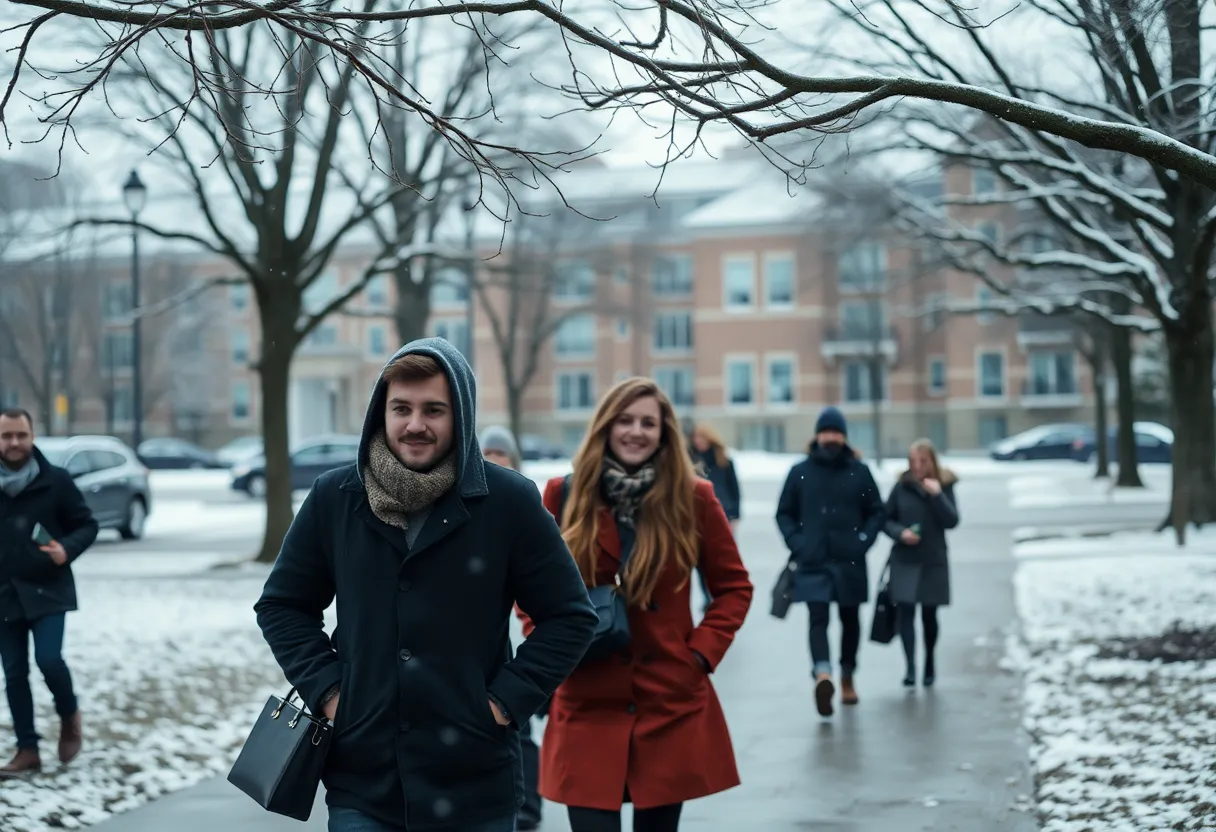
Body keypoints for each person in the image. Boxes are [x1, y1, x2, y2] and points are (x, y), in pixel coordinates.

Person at [255, 339, 598, 832]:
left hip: (475, 781)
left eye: (434, 410)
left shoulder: (509, 502)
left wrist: (505, 702)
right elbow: (283, 605)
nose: (415, 424)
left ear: (461, 415)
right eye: (402, 408)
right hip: (364, 780)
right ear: (382, 412)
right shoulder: (337, 497)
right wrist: (330, 691)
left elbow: (570, 616)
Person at [528, 377, 754, 832]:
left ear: (664, 432)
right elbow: (531, 590)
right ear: (606, 426)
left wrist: (698, 655)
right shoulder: (563, 495)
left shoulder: (693, 498)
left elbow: (734, 587)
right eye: (625, 420)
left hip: (668, 703)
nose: (636, 432)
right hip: (586, 700)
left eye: (648, 423)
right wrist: (552, 651)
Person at [0, 407, 96, 775]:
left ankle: (69, 714)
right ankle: (27, 750)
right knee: (14, 674)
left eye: (20, 435)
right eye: (6, 436)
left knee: (49, 659)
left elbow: (87, 525)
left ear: (32, 436)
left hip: (48, 589)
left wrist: (66, 549)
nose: (14, 442)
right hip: (4, 595)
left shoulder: (56, 480)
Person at [775, 406, 884, 717]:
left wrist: (863, 541)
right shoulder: (800, 472)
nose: (831, 437)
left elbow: (877, 511)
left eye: (836, 432)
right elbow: (784, 513)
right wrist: (798, 543)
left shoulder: (859, 472)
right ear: (817, 436)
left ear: (844, 436)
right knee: (818, 617)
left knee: (850, 620)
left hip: (850, 559)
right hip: (813, 559)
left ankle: (847, 676)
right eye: (826, 432)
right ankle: (823, 675)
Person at [478, 425, 543, 832]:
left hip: (514, 637)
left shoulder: (521, 502)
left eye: (502, 458)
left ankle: (529, 803)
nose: (495, 466)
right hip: (485, 637)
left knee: (518, 719)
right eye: (489, 457)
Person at [882, 438, 959, 687]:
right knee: (905, 613)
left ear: (932, 462)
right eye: (912, 461)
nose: (916, 466)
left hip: (932, 560)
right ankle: (910, 667)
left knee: (929, 615)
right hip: (905, 559)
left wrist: (937, 496)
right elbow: (886, 519)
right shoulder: (901, 486)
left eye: (922, 461)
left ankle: (929, 663)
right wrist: (900, 533)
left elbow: (952, 521)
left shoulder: (944, 486)